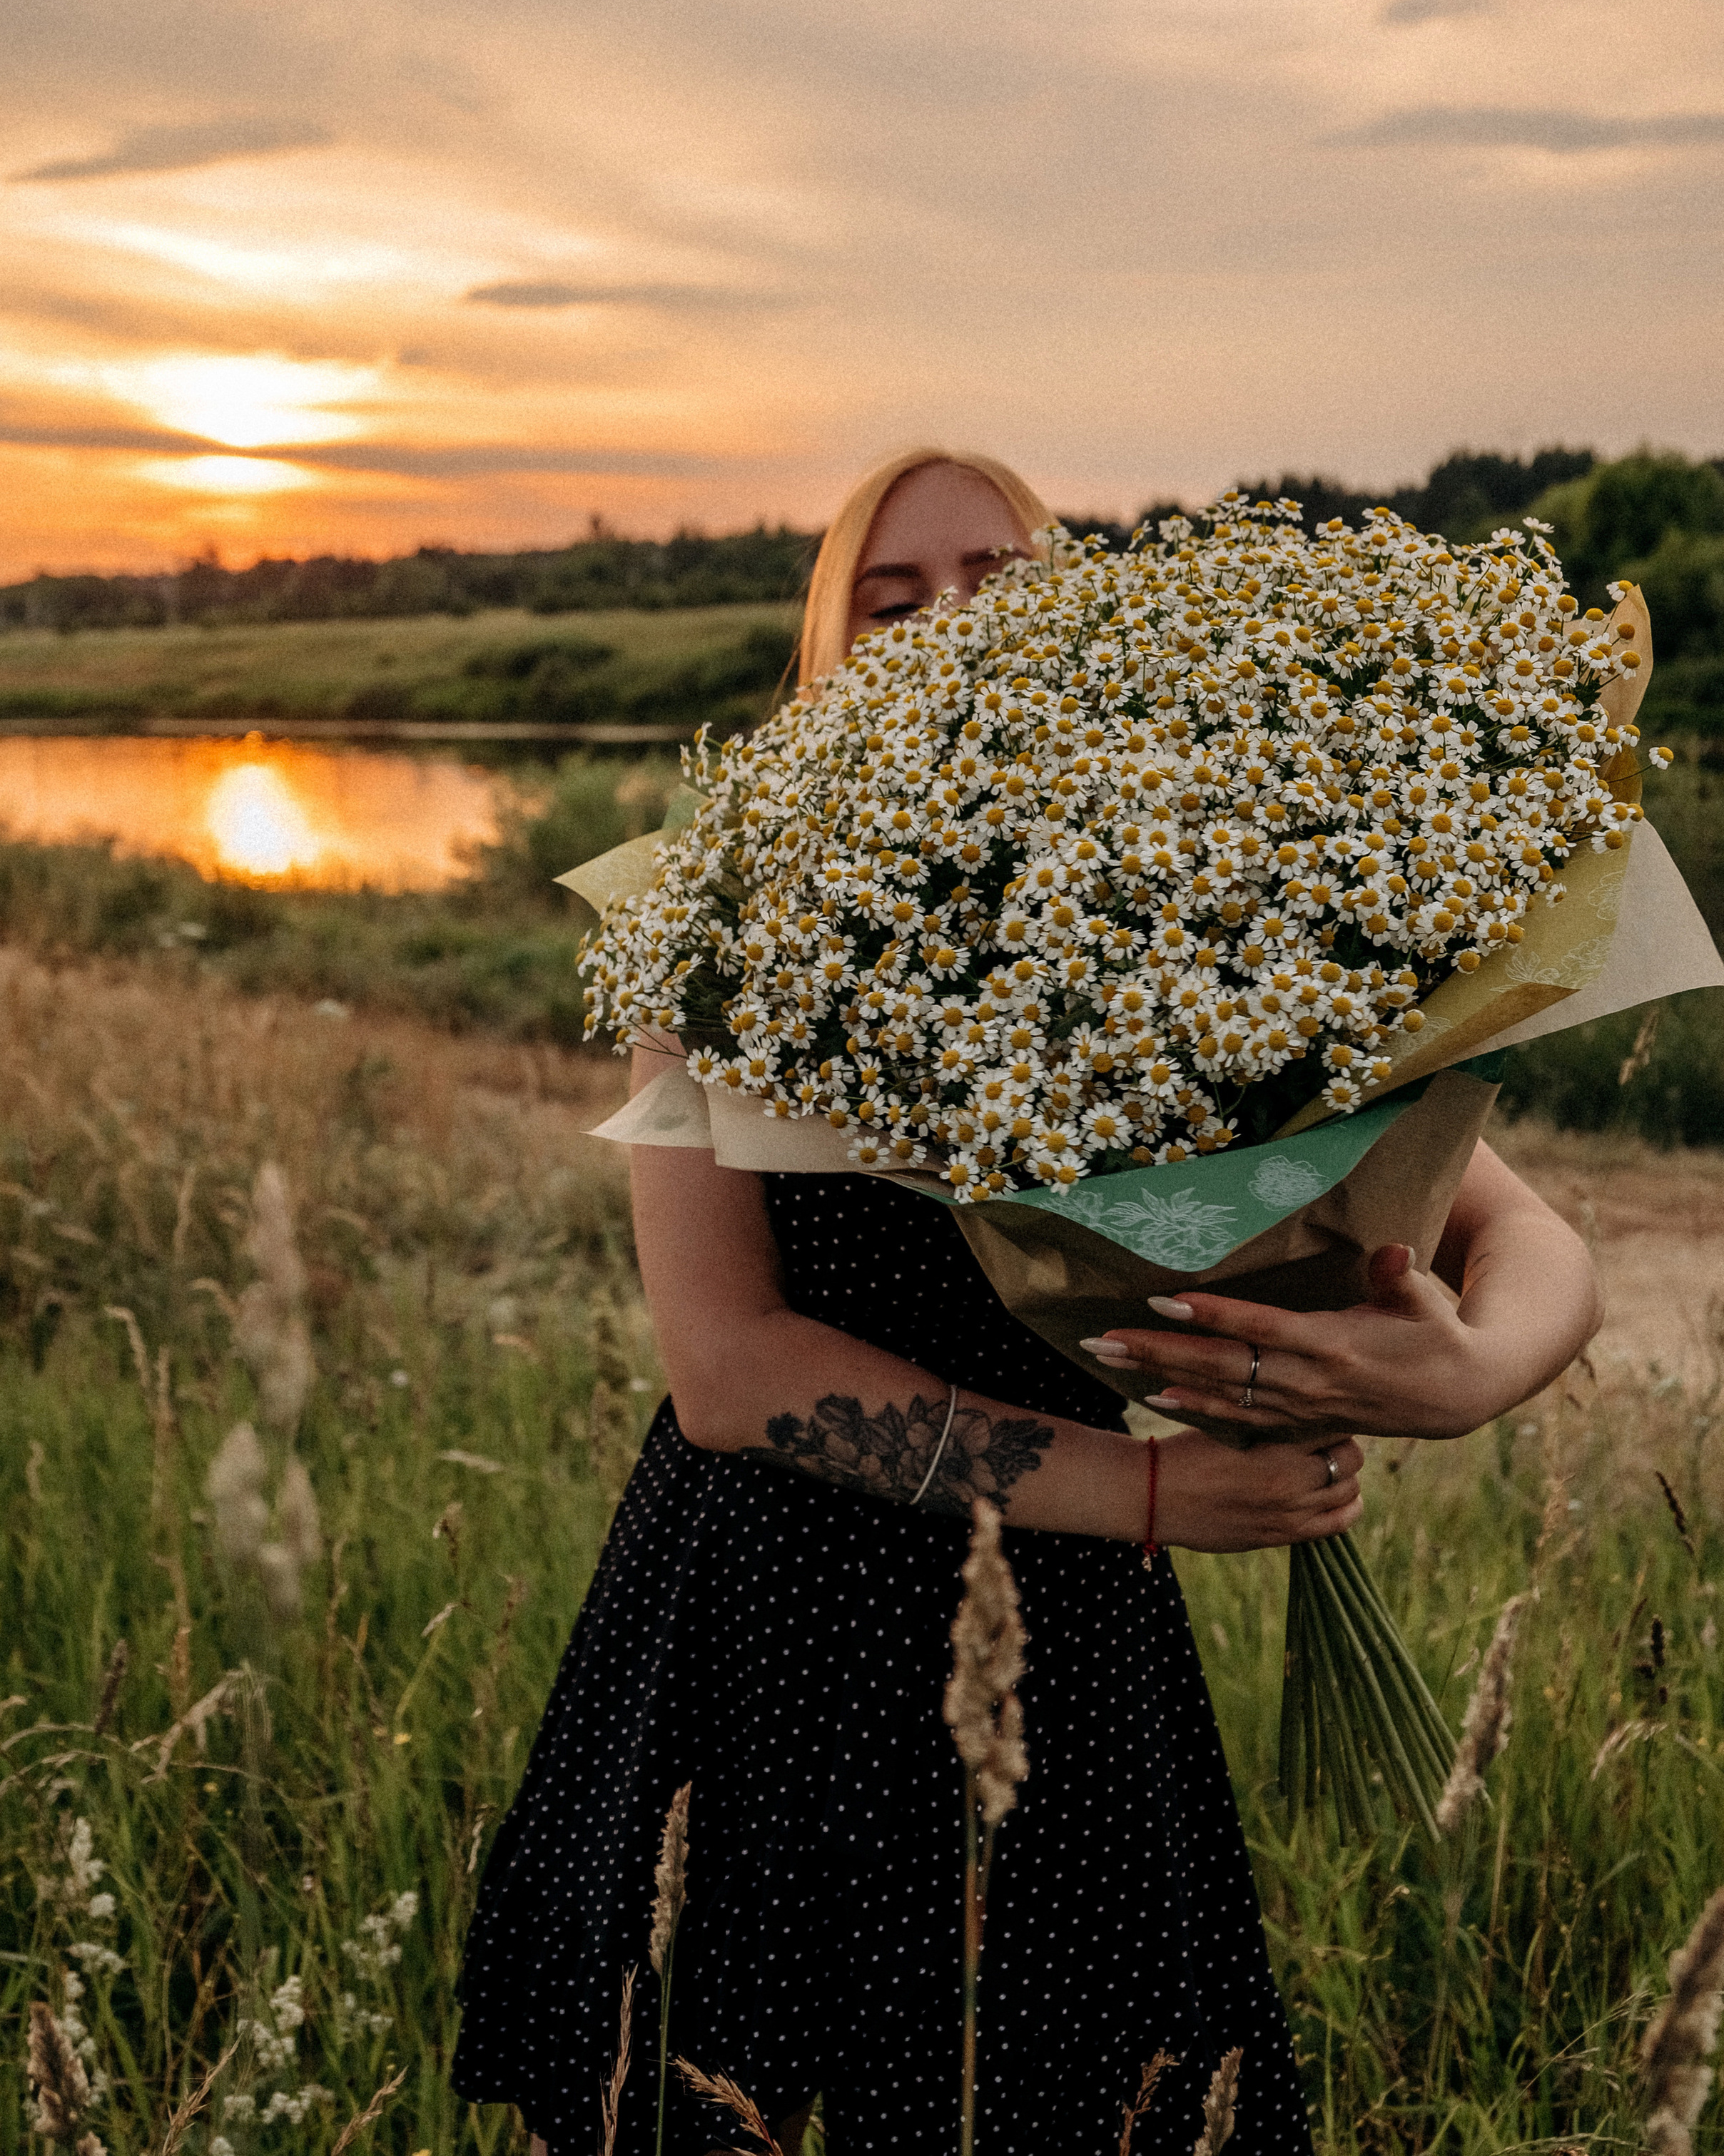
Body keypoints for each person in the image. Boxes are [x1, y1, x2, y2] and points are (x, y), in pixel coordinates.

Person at [453, 449, 1602, 2156]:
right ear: (822, 644)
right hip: (778, 1626)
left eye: (993, 579)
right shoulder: (724, 923)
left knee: (1077, 2098)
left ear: (1072, 613)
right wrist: (1149, 1489)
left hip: (1062, 1633)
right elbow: (728, 1369)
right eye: (890, 596)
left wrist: (1465, 1374)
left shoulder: (1186, 892)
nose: (946, 626)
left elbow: (1519, 1234)